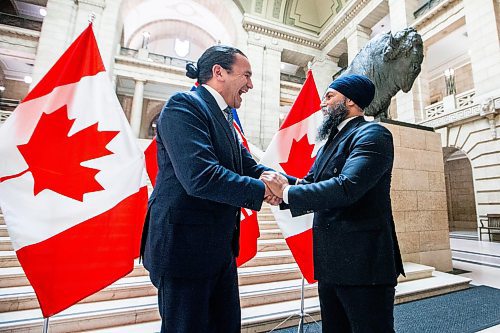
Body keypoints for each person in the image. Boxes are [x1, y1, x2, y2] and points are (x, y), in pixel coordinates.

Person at [140, 45, 288, 333]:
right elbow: (201, 177)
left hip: (218, 248)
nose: (251, 84)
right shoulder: (183, 106)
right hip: (184, 250)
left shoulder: (226, 119)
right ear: (219, 73)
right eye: (246, 75)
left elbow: (250, 167)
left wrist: (297, 187)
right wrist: (263, 190)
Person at [262, 74, 405, 333]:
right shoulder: (331, 143)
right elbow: (308, 182)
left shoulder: (373, 134)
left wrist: (285, 192)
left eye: (329, 96)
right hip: (331, 263)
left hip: (364, 266)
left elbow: (347, 187)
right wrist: (281, 184)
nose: (321, 104)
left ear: (350, 100)